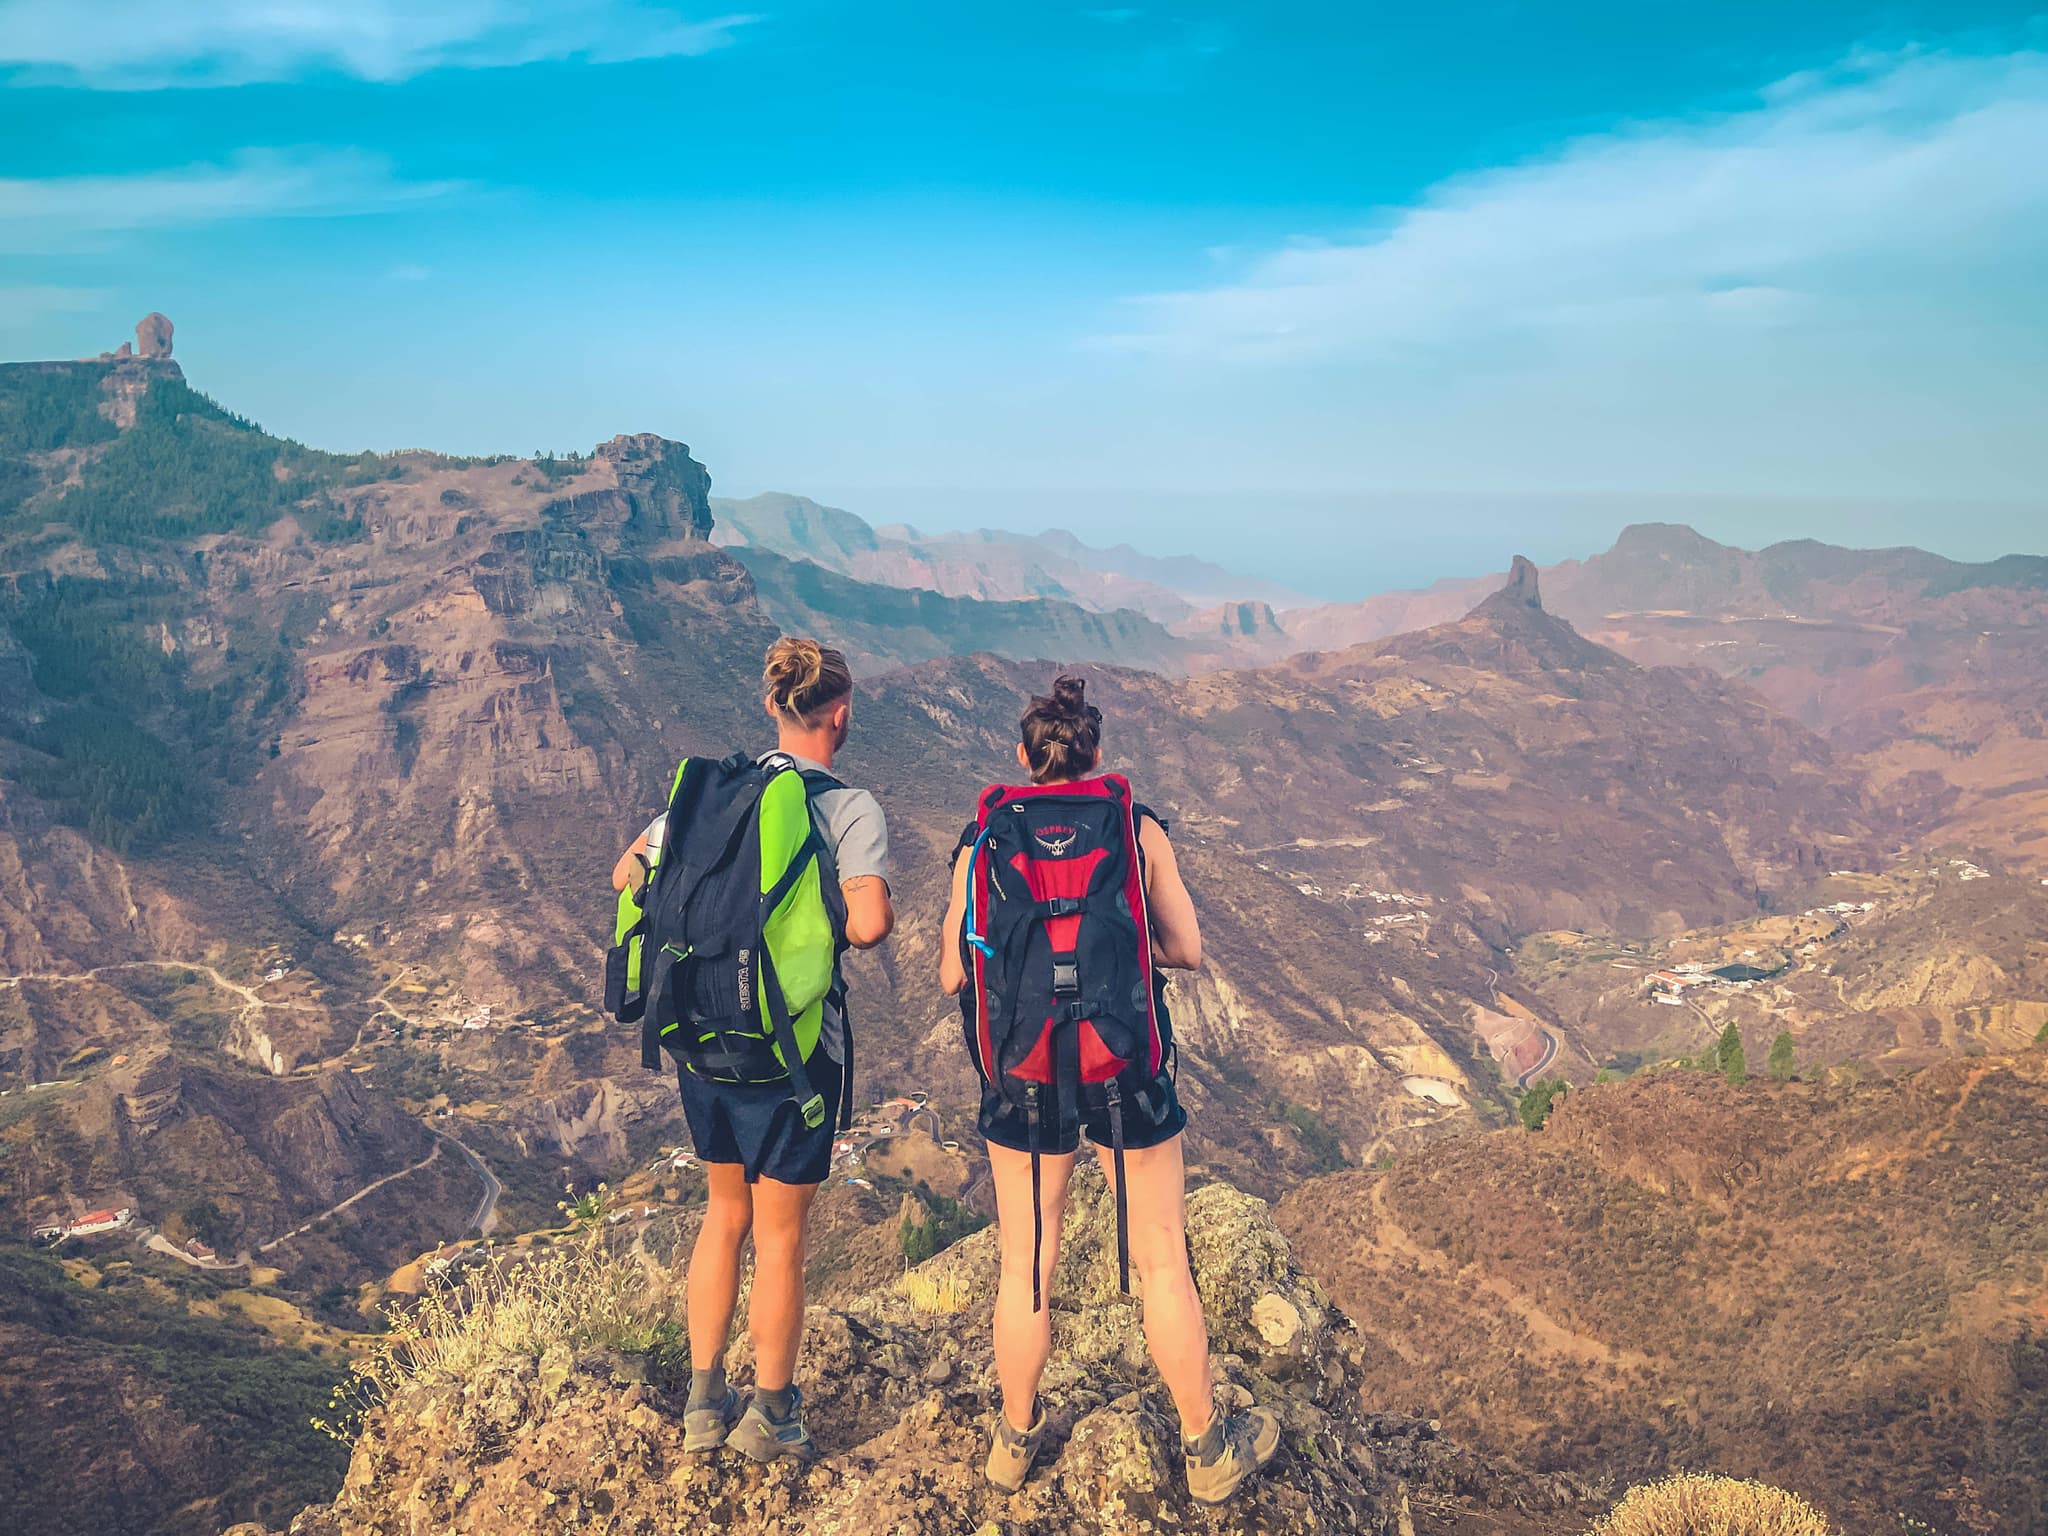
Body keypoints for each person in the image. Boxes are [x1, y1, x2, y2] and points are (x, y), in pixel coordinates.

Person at [939, 674, 1279, 1504]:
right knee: (1163, 1257)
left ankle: (1014, 1445)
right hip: (1124, 1065)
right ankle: (1206, 1449)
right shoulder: (1135, 826)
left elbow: (953, 968)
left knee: (1027, 1261)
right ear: (1098, 757)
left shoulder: (984, 834)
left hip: (1022, 1072)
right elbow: (1188, 950)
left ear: (1024, 759)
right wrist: (1108, 967)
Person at [612, 637, 893, 1461]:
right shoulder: (847, 807)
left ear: (773, 708)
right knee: (780, 1239)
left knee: (721, 1216)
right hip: (793, 1058)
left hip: (704, 1044)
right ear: (839, 716)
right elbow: (870, 923)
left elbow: (624, 870)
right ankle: (770, 1413)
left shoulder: (710, 795)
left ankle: (704, 1403)